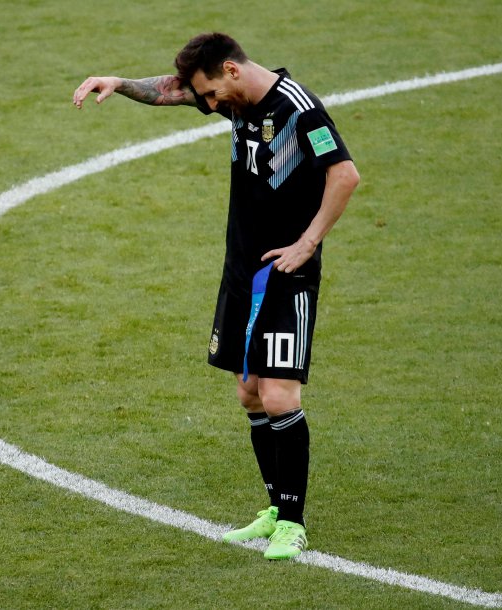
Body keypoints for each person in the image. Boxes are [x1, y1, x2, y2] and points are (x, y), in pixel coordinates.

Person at [73, 32, 359, 560]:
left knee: (279, 396)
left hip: (284, 271)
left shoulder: (298, 110)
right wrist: (117, 82)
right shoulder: (236, 101)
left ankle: (293, 525)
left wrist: (308, 241)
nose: (205, 104)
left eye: (209, 93)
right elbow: (172, 91)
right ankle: (275, 507)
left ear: (231, 70)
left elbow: (345, 175)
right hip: (239, 271)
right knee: (249, 393)